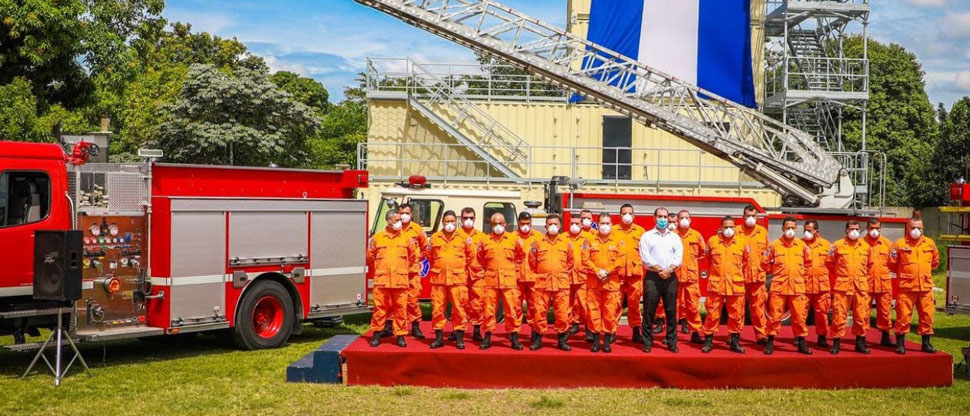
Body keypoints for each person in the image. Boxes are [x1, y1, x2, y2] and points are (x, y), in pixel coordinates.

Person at [367, 211, 420, 348]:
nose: (400, 222)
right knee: (379, 309)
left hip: (400, 280)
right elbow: (370, 256)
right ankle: (377, 335)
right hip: (382, 280)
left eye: (400, 219)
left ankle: (400, 336)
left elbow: (413, 256)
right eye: (396, 220)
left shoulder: (407, 238)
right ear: (388, 221)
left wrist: (401, 268)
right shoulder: (377, 238)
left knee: (400, 309)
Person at [762, 216, 812, 355]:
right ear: (782, 228)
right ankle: (770, 342)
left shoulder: (802, 246)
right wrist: (775, 273)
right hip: (779, 287)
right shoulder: (774, 245)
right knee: (774, 316)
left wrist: (800, 276)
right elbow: (764, 262)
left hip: (797, 288)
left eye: (792, 227)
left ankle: (801, 343)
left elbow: (808, 263)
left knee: (799, 317)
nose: (790, 230)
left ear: (796, 229)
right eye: (787, 227)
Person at [889, 217, 940, 354]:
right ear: (908, 228)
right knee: (903, 317)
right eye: (913, 227)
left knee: (927, 316)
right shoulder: (899, 244)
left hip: (925, 288)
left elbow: (935, 262)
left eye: (919, 227)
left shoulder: (929, 244)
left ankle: (926, 344)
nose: (916, 230)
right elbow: (892, 264)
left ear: (923, 228)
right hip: (906, 288)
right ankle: (900, 344)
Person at [427, 211, 477, 350]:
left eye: (452, 221)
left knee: (459, 308)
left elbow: (470, 256)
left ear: (456, 222)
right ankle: (438, 338)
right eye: (447, 221)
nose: (450, 224)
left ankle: (459, 338)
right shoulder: (435, 237)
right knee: (437, 308)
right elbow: (430, 255)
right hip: (439, 279)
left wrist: (458, 266)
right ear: (442, 222)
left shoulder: (463, 238)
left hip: (457, 279)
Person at [477, 213, 524, 350]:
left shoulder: (513, 239)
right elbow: (480, 258)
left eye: (500, 223)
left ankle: (514, 338)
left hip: (509, 280)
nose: (498, 226)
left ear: (505, 224)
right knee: (489, 310)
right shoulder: (485, 240)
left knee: (512, 309)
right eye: (495, 224)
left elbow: (520, 256)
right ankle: (487, 337)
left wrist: (513, 270)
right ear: (491, 225)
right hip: (491, 281)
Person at [639, 207, 684, 353]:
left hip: (671, 277)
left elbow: (678, 258)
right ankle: (647, 341)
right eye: (660, 216)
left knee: (671, 311)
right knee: (649, 310)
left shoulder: (675, 237)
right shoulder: (647, 236)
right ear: (654, 218)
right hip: (653, 277)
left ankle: (672, 342)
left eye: (665, 217)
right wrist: (660, 270)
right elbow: (646, 258)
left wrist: (669, 270)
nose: (663, 219)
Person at [528, 214, 575, 351]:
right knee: (539, 312)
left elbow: (570, 262)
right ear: (545, 226)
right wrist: (542, 272)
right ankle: (538, 340)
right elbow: (532, 261)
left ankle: (562, 340)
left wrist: (560, 272)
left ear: (560, 226)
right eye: (550, 224)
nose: (553, 226)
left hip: (561, 283)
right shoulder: (537, 243)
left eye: (555, 224)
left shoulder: (566, 243)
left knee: (562, 313)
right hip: (543, 283)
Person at [702, 216, 748, 354]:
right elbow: (708, 259)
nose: (729, 229)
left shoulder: (742, 243)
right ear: (721, 228)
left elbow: (745, 262)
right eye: (726, 227)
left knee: (736, 314)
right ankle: (708, 341)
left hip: (735, 284)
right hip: (717, 284)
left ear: (735, 228)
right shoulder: (713, 241)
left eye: (731, 227)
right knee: (712, 314)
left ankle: (734, 342)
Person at [827, 220, 872, 354]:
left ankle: (860, 343)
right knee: (839, 315)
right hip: (843, 286)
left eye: (857, 229)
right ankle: (836, 343)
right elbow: (830, 263)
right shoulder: (837, 245)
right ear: (846, 230)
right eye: (851, 229)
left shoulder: (865, 246)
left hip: (860, 286)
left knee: (861, 315)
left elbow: (869, 265)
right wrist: (842, 275)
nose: (854, 231)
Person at [586, 213, 623, 352]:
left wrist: (607, 271)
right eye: (602, 223)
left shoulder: (618, 240)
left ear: (612, 225)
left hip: (611, 283)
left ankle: (606, 342)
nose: (605, 226)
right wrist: (597, 271)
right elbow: (585, 258)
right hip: (593, 282)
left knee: (610, 312)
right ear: (597, 224)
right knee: (593, 312)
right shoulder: (589, 240)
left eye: (607, 223)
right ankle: (596, 342)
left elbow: (621, 259)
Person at [738, 204, 770, 344]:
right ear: (743, 217)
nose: (750, 218)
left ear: (757, 217)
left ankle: (761, 335)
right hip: (739, 277)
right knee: (738, 308)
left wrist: (764, 268)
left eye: (753, 216)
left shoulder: (762, 232)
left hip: (757, 277)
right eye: (748, 216)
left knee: (758, 308)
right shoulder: (736, 232)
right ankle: (735, 335)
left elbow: (768, 253)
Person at [616, 204, 647, 343]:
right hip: (617, 274)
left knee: (634, 303)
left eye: (629, 213)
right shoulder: (613, 231)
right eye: (624, 213)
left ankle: (636, 331)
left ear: (634, 216)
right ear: (620, 215)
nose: (627, 216)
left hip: (635, 274)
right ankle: (612, 331)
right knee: (615, 303)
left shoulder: (641, 232)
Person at [398, 203, 429, 340]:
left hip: (412, 272)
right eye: (401, 213)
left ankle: (415, 326)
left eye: (407, 213)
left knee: (412, 300)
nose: (404, 215)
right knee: (395, 300)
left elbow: (425, 248)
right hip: (397, 271)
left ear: (411, 214)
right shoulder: (394, 229)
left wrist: (416, 259)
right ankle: (390, 326)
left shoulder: (417, 230)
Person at [675, 210, 707, 344]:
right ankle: (671, 333)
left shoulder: (696, 235)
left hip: (691, 276)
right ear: (677, 220)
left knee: (693, 306)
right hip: (674, 276)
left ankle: (695, 332)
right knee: (672, 306)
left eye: (686, 217)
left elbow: (703, 253)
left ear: (690, 219)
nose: (684, 220)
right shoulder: (672, 235)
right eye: (681, 218)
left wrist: (693, 263)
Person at [864, 218, 895, 347]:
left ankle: (885, 337)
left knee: (885, 312)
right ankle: (861, 338)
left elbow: (893, 263)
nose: (874, 231)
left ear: (880, 228)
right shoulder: (861, 244)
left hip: (883, 284)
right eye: (872, 228)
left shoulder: (887, 244)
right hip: (866, 283)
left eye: (877, 228)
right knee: (863, 312)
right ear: (867, 229)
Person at [802, 220, 833, 348]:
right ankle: (800, 337)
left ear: (816, 231)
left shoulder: (826, 245)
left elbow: (832, 264)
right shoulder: (800, 244)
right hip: (804, 285)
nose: (806, 232)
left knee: (822, 313)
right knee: (801, 313)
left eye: (809, 230)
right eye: (805, 230)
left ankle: (822, 336)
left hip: (821, 286)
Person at [458, 207, 487, 342]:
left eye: (471, 217)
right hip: (460, 274)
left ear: (475, 219)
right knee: (459, 302)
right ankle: (457, 330)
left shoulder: (482, 236)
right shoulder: (456, 235)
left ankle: (476, 329)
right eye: (465, 218)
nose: (468, 220)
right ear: (461, 219)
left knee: (477, 302)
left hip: (477, 274)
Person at [515, 212, 542, 335]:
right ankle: (514, 332)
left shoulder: (538, 237)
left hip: (533, 277)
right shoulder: (512, 237)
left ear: (531, 223)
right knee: (516, 306)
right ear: (518, 223)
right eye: (523, 223)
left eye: (528, 223)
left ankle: (534, 331)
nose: (525, 226)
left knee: (534, 305)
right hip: (517, 277)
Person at [566, 215, 592, 339]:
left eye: (577, 223)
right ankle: (565, 331)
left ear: (581, 224)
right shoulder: (563, 238)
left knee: (586, 304)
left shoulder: (588, 238)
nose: (574, 226)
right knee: (566, 306)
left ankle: (589, 331)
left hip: (583, 277)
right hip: (566, 277)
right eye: (572, 223)